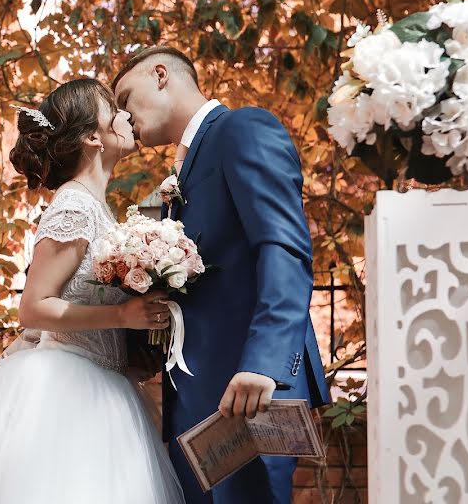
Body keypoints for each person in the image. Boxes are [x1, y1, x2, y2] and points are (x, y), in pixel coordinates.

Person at [0, 78, 185, 504]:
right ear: (93, 137)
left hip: (107, 383)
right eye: (114, 110)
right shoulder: (74, 205)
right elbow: (33, 308)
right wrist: (122, 317)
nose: (126, 117)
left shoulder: (95, 207)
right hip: (65, 389)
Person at [113, 46, 331, 504]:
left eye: (126, 99)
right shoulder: (180, 173)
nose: (124, 117)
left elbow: (283, 246)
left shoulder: (242, 129)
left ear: (159, 75)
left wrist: (264, 362)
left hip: (248, 387)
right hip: (197, 401)